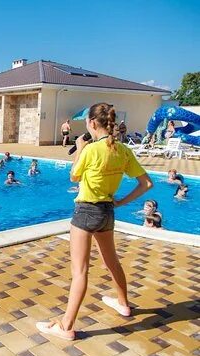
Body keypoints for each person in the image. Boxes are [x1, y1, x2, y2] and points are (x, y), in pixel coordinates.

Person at [36, 103, 152, 341]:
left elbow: (74, 175)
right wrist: (119, 203)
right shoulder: (122, 150)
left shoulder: (91, 150)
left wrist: (79, 148)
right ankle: (123, 304)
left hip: (86, 211)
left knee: (80, 271)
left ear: (91, 124)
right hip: (107, 211)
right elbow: (146, 184)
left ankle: (66, 325)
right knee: (112, 262)